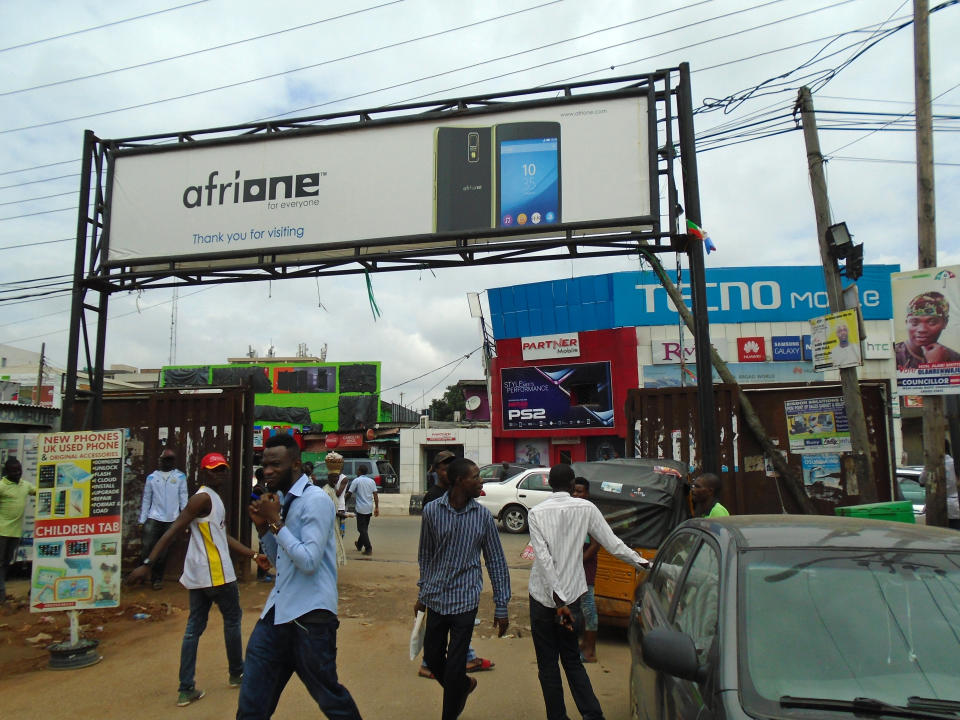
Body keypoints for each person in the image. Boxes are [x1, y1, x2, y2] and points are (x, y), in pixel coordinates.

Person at [127, 452, 268, 707]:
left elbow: (222, 536)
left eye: (223, 468)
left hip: (199, 575)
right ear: (204, 472)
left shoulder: (212, 498)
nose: (220, 473)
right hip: (217, 573)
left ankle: (186, 688)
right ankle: (237, 673)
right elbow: (172, 531)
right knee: (232, 620)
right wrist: (147, 564)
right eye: (214, 469)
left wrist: (253, 554)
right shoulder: (201, 498)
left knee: (194, 629)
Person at [237, 433, 363, 720]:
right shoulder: (281, 501)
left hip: (311, 618)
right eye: (264, 465)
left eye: (275, 465)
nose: (267, 471)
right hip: (278, 613)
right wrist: (263, 528)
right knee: (252, 702)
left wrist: (276, 522)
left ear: (295, 464)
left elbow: (307, 561)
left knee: (330, 698)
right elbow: (280, 560)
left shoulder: (315, 501)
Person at [527, 463, 650, 720]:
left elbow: (544, 558)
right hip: (571, 598)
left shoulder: (536, 513)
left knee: (547, 664)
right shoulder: (586, 508)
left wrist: (556, 597)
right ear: (573, 486)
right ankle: (593, 715)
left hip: (543, 598)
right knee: (571, 659)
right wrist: (644, 564)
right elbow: (614, 544)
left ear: (549, 485)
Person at [415, 458, 511, 720]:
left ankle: (450, 712)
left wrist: (501, 606)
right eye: (476, 476)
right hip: (436, 597)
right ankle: (464, 686)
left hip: (465, 599)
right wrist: (422, 593)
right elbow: (425, 554)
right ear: (460, 481)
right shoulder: (433, 511)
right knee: (433, 659)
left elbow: (496, 561)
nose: (481, 481)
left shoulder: (482, 517)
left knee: (456, 665)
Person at [416, 450, 494, 678]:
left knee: (456, 639)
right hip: (439, 590)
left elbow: (494, 559)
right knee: (438, 645)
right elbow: (430, 552)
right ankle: (438, 666)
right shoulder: (434, 500)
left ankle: (461, 662)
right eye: (443, 467)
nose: (447, 471)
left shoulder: (478, 511)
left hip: (462, 592)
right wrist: (424, 593)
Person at [138, 447, 188, 590]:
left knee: (163, 552)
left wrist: (184, 520)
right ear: (160, 461)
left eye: (170, 460)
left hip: (172, 519)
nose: (168, 462)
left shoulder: (180, 477)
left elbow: (183, 499)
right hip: (154, 517)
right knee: (147, 547)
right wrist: (142, 520)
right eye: (165, 460)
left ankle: (157, 579)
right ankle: (142, 574)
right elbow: (146, 499)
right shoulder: (152, 478)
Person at [571, 477, 601, 663]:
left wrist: (578, 561)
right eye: (573, 490)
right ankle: (576, 644)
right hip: (571, 568)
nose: (576, 494)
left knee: (588, 608)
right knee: (570, 606)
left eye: (580, 491)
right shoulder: (571, 511)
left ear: (587, 493)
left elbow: (596, 544)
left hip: (585, 567)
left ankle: (590, 651)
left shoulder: (591, 513)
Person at [0, 458, 35, 605]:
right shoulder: (1, 486)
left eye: (19, 470)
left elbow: (40, 491)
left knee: (6, 563)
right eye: (13, 471)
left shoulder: (24, 485)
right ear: (6, 472)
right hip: (1, 532)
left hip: (14, 532)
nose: (17, 473)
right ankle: (1, 596)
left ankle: (2, 594)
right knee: (0, 563)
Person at [895, 291, 960, 369]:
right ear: (906, 323)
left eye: (932, 322)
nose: (922, 329)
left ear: (945, 323)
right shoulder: (893, 355)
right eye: (914, 322)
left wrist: (938, 364)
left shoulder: (955, 358)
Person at [347, 464, 378, 555]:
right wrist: (377, 507)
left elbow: (349, 493)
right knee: (364, 528)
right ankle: (359, 544)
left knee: (361, 529)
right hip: (369, 508)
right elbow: (375, 495)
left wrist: (342, 502)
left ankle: (368, 548)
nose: (357, 472)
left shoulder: (356, 481)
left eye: (357, 470)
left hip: (360, 509)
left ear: (360, 471)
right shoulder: (371, 481)